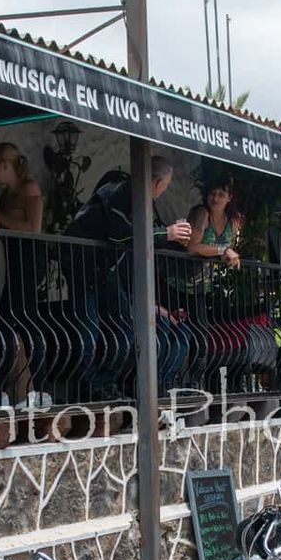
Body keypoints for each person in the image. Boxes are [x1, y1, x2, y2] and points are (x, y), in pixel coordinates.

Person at [66, 157, 194, 398]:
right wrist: (166, 233)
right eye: (164, 187)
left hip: (102, 267)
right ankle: (86, 388)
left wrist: (167, 238)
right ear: (157, 183)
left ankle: (103, 385)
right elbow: (122, 237)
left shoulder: (134, 197)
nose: (162, 192)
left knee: (125, 325)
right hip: (81, 262)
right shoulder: (123, 193)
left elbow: (136, 237)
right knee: (88, 328)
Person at [0, 142, 44, 406]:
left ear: (5, 165)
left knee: (20, 321)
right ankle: (9, 387)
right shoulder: (6, 195)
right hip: (13, 262)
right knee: (7, 319)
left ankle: (31, 388)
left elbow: (34, 227)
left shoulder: (29, 188)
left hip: (30, 261)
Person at [186, 180, 243, 268]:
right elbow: (192, 247)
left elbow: (227, 253)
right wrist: (223, 250)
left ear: (229, 198)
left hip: (209, 277)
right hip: (187, 273)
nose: (215, 198)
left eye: (221, 195)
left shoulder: (232, 222)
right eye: (212, 193)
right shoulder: (202, 213)